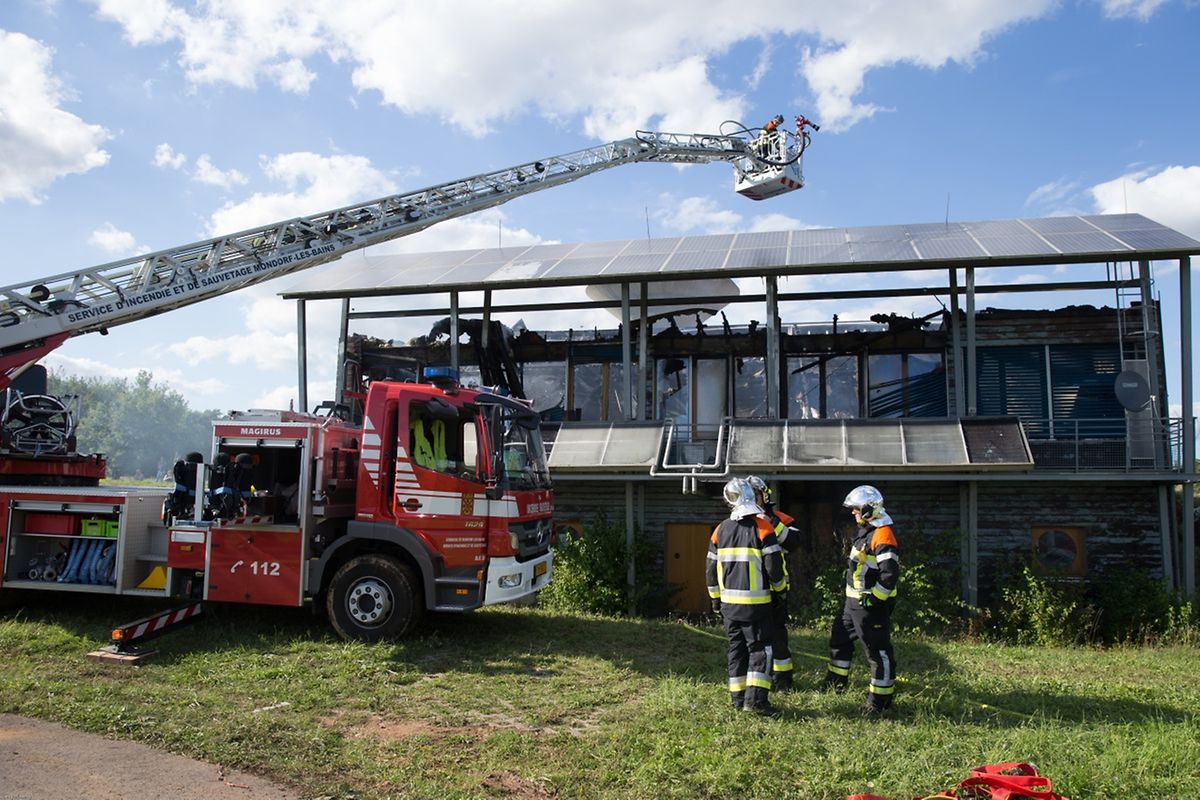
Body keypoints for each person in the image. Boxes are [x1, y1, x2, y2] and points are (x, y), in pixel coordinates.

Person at [707, 478, 787, 716]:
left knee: (736, 650)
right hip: (757, 604)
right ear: (752, 498)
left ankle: (738, 699)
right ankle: (757, 702)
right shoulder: (763, 527)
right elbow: (774, 567)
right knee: (761, 651)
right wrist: (780, 591)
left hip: (729, 606)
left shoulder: (720, 529)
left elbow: (710, 569)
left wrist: (715, 600)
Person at [823, 485, 900, 714]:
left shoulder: (883, 534)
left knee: (877, 652)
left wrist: (875, 599)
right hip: (852, 603)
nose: (854, 513)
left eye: (856, 510)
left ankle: (880, 702)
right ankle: (835, 683)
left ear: (869, 510)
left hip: (870, 606)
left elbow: (890, 574)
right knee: (840, 641)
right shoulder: (866, 531)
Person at [747, 475, 801, 692]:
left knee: (777, 635)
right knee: (752, 637)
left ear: (764, 496)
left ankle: (783, 679)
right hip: (749, 589)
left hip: (774, 588)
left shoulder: (780, 519)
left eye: (755, 495)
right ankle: (757, 678)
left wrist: (771, 523)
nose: (752, 499)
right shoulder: (739, 522)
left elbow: (795, 542)